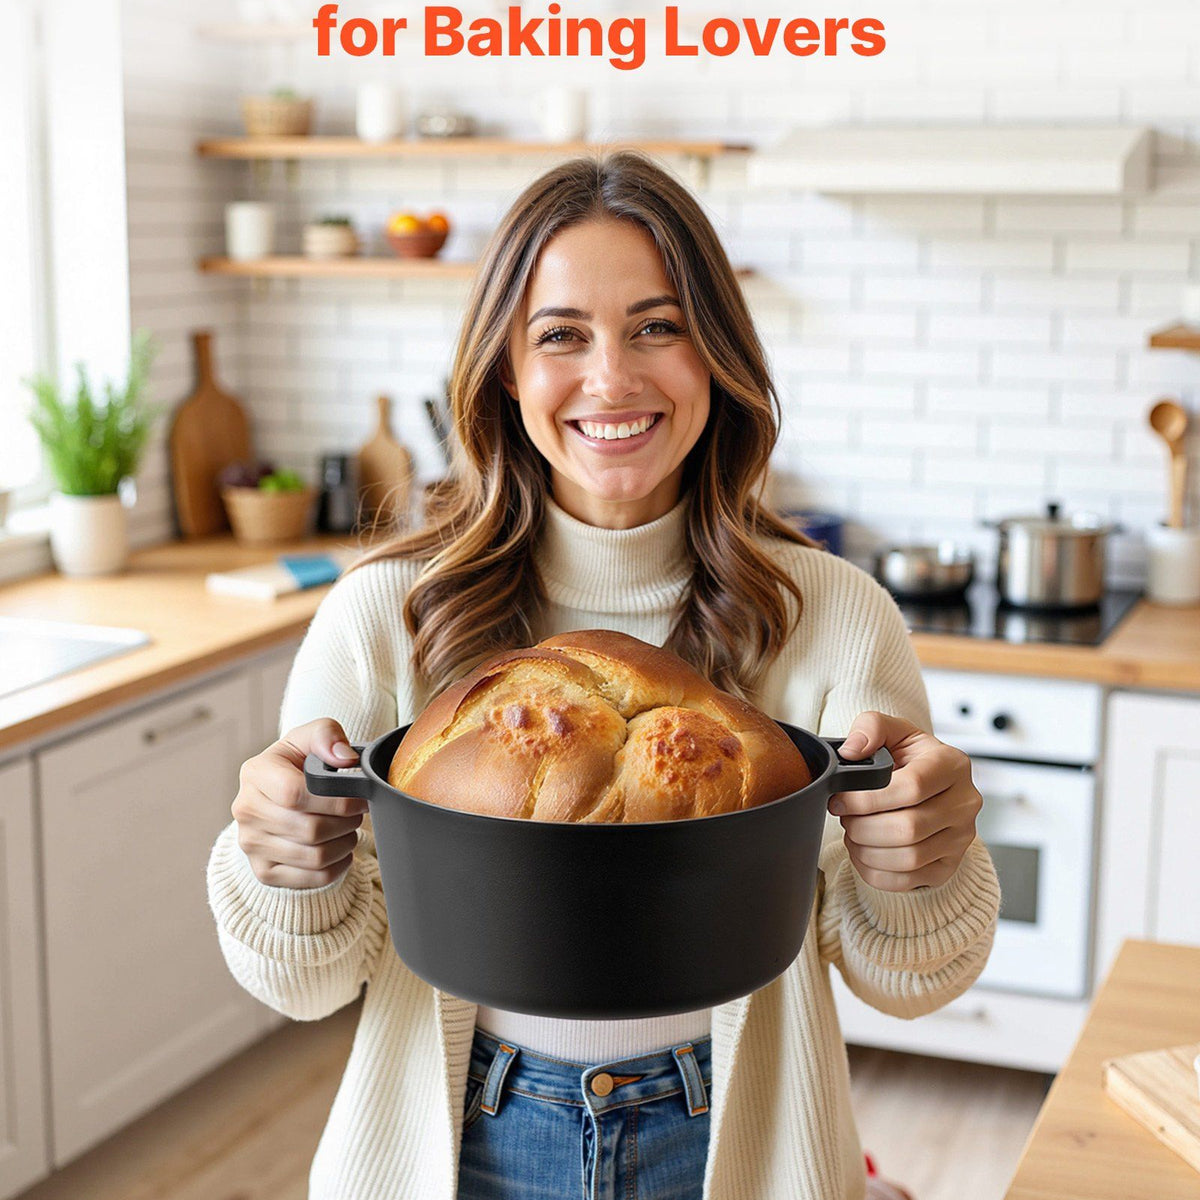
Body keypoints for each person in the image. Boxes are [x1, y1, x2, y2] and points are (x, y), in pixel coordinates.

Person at [207, 151, 999, 1200]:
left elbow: (909, 980)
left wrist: (926, 863)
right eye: (561, 334)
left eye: (658, 327)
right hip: (455, 1142)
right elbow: (303, 983)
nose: (613, 378)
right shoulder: (387, 613)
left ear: (718, 354)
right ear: (504, 369)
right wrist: (284, 865)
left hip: (737, 1139)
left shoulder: (835, 615)